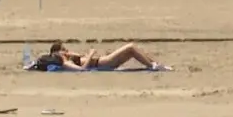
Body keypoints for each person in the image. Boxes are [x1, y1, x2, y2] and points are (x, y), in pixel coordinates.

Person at [42, 41, 171, 71]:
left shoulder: (67, 57)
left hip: (103, 60)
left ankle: (155, 64)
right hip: (103, 63)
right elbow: (82, 70)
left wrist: (71, 53)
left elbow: (79, 56)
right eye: (63, 49)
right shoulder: (63, 61)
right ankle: (153, 66)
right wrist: (91, 54)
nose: (66, 51)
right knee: (131, 48)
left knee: (132, 49)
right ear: (56, 53)